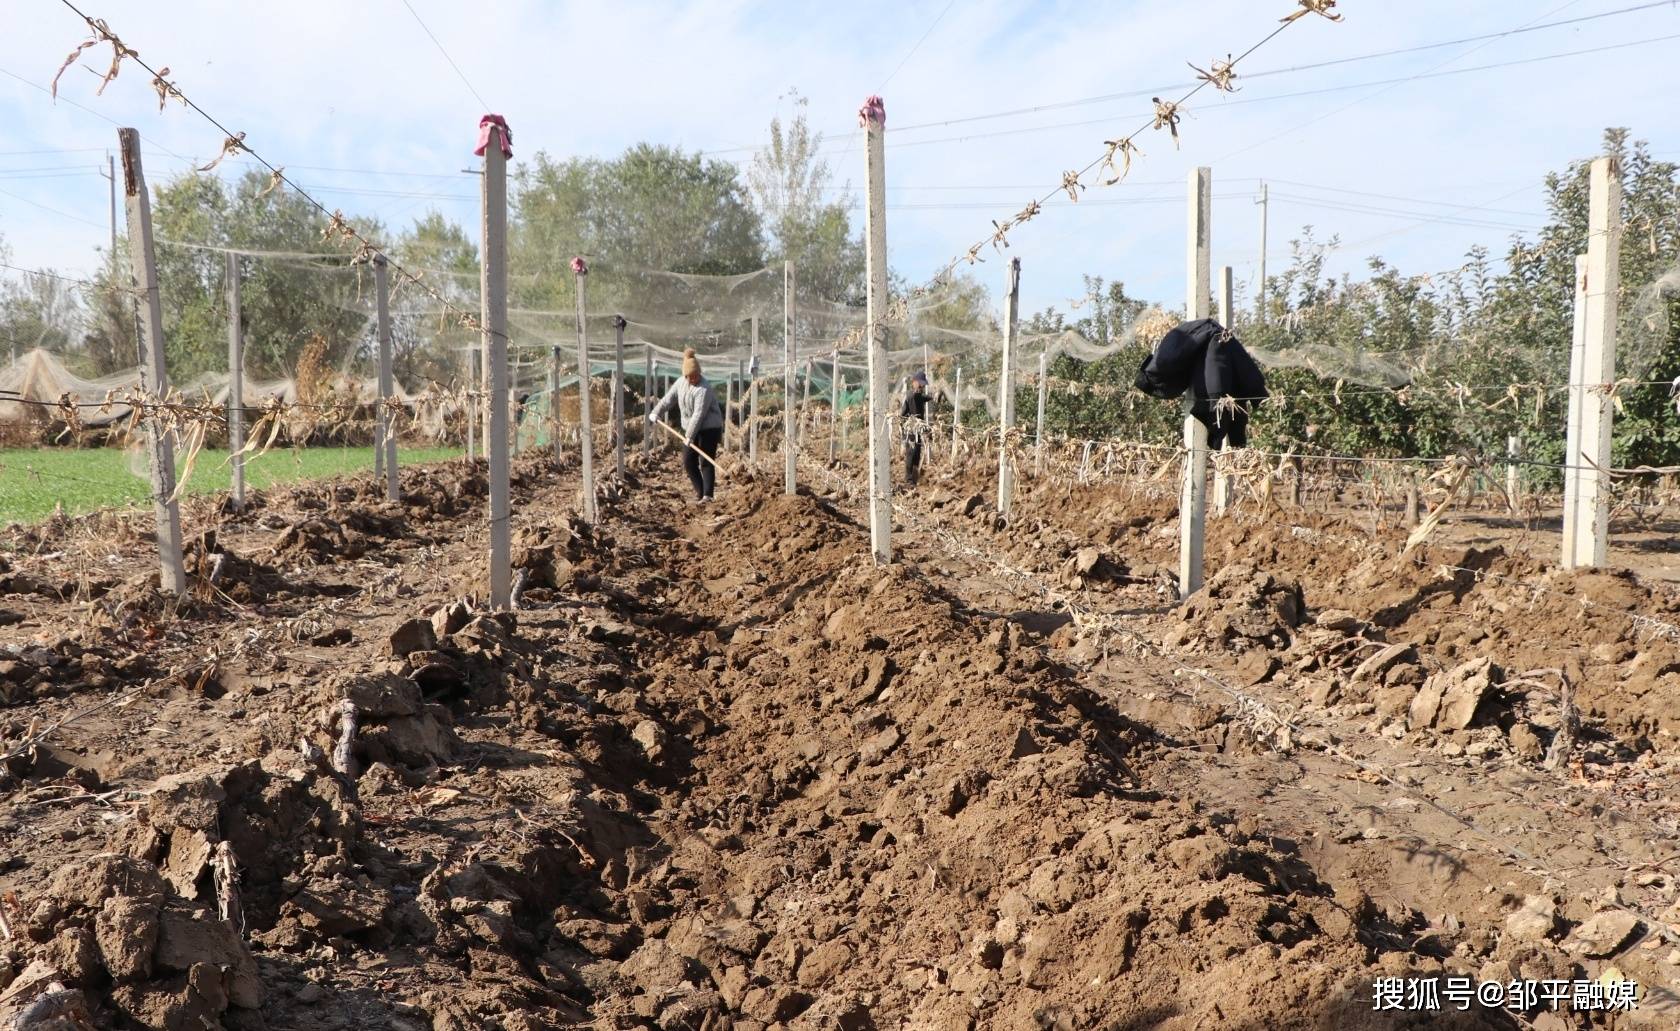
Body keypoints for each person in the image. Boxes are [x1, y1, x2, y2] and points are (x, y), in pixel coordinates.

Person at [648, 348, 725, 502]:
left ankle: (708, 496)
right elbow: (668, 399)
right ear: (685, 375)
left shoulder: (704, 388)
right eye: (691, 377)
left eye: (697, 376)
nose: (694, 379)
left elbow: (698, 414)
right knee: (688, 462)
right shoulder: (680, 383)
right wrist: (657, 412)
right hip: (692, 428)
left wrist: (689, 436)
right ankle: (700, 492)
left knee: (705, 460)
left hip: (710, 428)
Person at [900, 370, 931, 488]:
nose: (922, 386)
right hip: (910, 430)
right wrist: (907, 425)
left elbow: (927, 397)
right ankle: (908, 480)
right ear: (914, 382)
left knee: (917, 453)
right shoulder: (910, 396)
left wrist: (937, 395)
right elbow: (902, 414)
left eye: (923, 385)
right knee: (911, 453)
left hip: (918, 430)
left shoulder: (919, 396)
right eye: (921, 384)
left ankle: (914, 478)